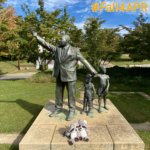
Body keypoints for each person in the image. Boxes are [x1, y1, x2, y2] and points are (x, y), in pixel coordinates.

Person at [30, 29, 97, 120]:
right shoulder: (57, 48)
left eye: (61, 39)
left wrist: (93, 71)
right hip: (59, 75)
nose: (59, 40)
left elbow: (84, 60)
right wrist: (36, 36)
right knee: (58, 93)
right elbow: (46, 44)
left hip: (70, 76)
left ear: (67, 41)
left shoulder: (75, 50)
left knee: (71, 95)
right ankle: (58, 108)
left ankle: (72, 111)